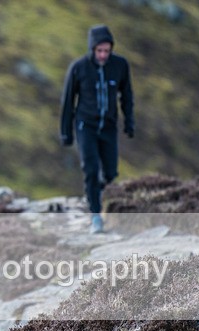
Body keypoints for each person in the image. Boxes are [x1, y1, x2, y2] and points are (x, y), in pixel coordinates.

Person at [60, 24, 134, 234]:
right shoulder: (79, 68)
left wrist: (129, 122)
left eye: (107, 51)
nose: (103, 55)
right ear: (92, 49)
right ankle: (95, 216)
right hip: (86, 126)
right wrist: (66, 132)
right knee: (91, 170)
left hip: (109, 126)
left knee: (110, 173)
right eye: (99, 50)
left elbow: (126, 95)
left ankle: (95, 193)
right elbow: (67, 102)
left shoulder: (120, 66)